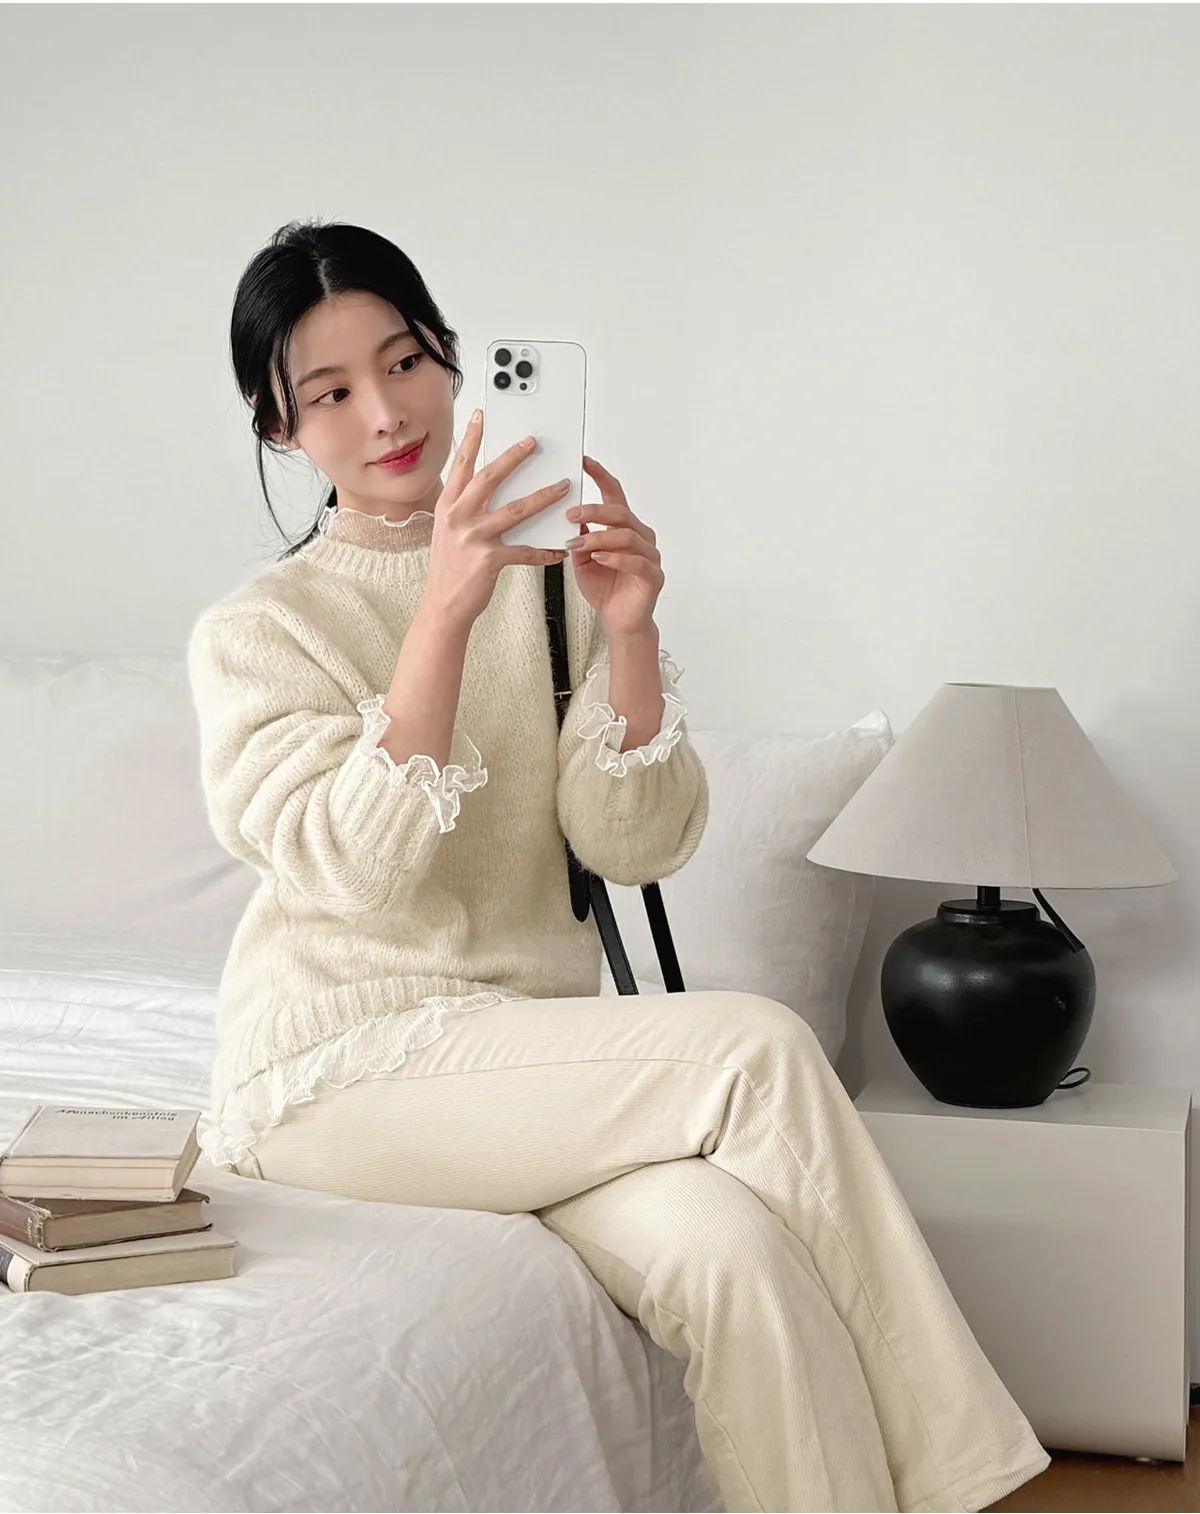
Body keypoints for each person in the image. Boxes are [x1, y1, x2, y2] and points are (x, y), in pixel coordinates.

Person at [187, 217, 1051, 1513]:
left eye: (406, 361)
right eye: (330, 392)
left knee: (739, 1255)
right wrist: (444, 607)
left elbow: (634, 842)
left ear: (451, 358)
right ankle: (971, 1478)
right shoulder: (261, 630)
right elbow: (358, 870)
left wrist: (631, 632)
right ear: (278, 427)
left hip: (529, 1059)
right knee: (754, 1050)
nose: (387, 411)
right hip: (330, 1074)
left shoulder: (548, 586)